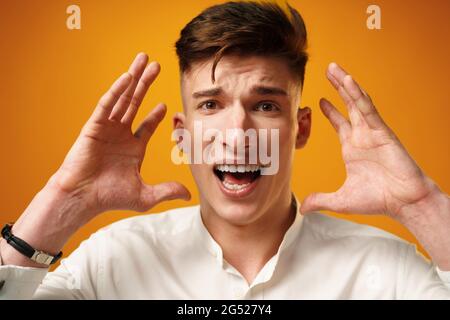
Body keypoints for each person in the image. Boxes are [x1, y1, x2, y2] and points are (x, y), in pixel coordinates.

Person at [0, 1, 449, 299]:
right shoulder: (111, 263)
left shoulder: (386, 272)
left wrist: (423, 205)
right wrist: (63, 200)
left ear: (301, 128)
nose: (238, 133)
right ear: (181, 133)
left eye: (266, 105)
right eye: (211, 104)